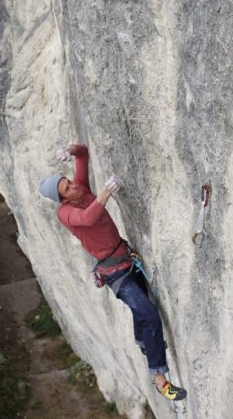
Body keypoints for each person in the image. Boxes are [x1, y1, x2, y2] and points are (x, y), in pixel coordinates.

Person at [38, 143, 187, 401]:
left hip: (126, 259)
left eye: (69, 182)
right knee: (150, 315)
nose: (73, 185)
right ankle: (160, 378)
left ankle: (143, 341)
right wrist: (105, 193)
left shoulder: (80, 190)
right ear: (62, 199)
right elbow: (87, 219)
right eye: (66, 188)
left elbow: (83, 154)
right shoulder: (66, 213)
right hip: (115, 274)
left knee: (143, 312)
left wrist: (70, 150)